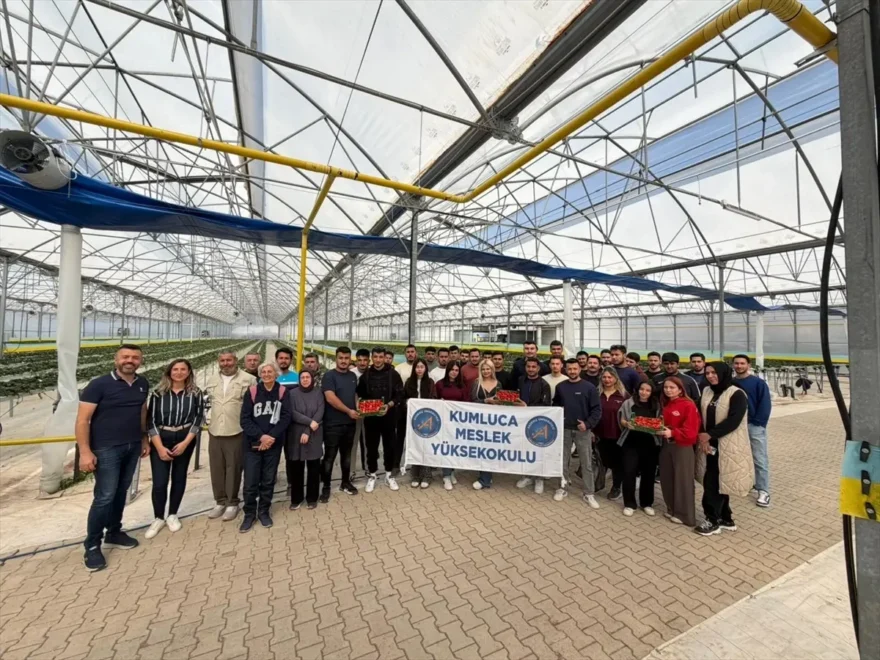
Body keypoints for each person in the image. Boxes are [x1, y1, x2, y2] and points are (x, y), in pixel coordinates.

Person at [76, 345, 151, 572]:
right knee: (104, 496)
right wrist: (85, 451)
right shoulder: (98, 385)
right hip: (106, 447)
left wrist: (144, 438)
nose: (130, 360)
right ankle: (92, 545)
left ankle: (114, 532)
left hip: (132, 445)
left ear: (140, 361)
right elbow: (82, 420)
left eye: (135, 357)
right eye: (125, 356)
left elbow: (142, 411)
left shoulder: (142, 383)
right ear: (115, 359)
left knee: (120, 492)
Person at [144, 359, 206, 539]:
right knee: (160, 482)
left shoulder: (195, 393)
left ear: (189, 372)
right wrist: (159, 447)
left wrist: (185, 443)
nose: (179, 372)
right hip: (161, 438)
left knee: (179, 477)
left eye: (183, 369)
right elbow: (151, 421)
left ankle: (172, 514)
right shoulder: (158, 394)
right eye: (175, 369)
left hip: (185, 438)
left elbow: (198, 419)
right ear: (169, 372)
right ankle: (158, 517)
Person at [695, 362, 752, 536]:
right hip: (708, 444)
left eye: (714, 372)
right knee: (718, 482)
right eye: (707, 373)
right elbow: (699, 414)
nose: (710, 376)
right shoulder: (707, 391)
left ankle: (712, 520)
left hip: (727, 445)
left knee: (712, 483)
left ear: (723, 373)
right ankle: (726, 518)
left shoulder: (736, 394)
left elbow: (734, 421)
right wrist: (703, 435)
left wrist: (709, 434)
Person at [239, 363, 291, 532]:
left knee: (268, 480)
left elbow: (286, 417)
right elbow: (245, 419)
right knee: (250, 481)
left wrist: (271, 437)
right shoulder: (253, 392)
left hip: (273, 443)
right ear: (260, 375)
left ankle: (263, 511)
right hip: (253, 443)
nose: (267, 374)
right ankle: (249, 514)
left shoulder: (282, 392)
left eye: (270, 371)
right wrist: (261, 436)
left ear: (276, 374)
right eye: (264, 372)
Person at [204, 351, 255, 522]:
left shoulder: (248, 380)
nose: (226, 363)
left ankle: (232, 502)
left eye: (229, 360)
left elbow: (254, 407)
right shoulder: (212, 380)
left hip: (236, 430)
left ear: (236, 361)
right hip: (215, 430)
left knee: (234, 467)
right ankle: (220, 501)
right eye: (222, 360)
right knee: (216, 468)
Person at [552, 358, 602, 508]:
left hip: (583, 431)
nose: (572, 371)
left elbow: (596, 410)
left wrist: (587, 424)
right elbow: (556, 406)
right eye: (569, 369)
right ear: (565, 370)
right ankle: (562, 487)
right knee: (563, 460)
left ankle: (589, 493)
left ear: (580, 369)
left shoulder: (589, 387)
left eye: (575, 369)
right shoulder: (561, 387)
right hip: (565, 429)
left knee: (586, 462)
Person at [357, 347, 404, 493]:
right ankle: (372, 474)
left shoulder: (394, 374)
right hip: (371, 419)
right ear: (372, 358)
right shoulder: (366, 375)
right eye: (375, 357)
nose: (378, 360)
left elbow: (399, 395)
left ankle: (389, 474)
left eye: (380, 357)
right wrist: (362, 406)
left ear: (385, 357)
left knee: (389, 446)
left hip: (389, 417)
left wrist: (389, 405)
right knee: (371, 447)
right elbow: (360, 395)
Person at [656, 377, 700, 526]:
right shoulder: (667, 403)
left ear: (680, 390)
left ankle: (685, 515)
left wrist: (673, 433)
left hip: (682, 446)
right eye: (666, 387)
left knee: (683, 481)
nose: (668, 390)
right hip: (666, 445)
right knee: (667, 478)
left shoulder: (688, 405)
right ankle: (672, 508)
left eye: (672, 387)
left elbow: (691, 430)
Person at [732, 354, 772, 508]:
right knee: (738, 456)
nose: (739, 366)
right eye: (736, 363)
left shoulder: (758, 383)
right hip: (736, 426)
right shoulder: (731, 383)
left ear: (748, 365)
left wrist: (759, 423)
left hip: (753, 425)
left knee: (759, 458)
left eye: (742, 363)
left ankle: (763, 490)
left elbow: (765, 404)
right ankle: (746, 483)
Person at [321, 346, 360, 502]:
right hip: (333, 424)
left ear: (350, 359)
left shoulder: (352, 376)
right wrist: (349, 411)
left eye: (346, 358)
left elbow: (355, 395)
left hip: (350, 424)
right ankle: (326, 487)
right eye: (341, 358)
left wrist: (358, 408)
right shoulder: (329, 376)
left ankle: (345, 482)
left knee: (347, 455)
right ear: (336, 359)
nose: (344, 361)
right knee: (329, 457)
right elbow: (330, 398)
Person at [617, 381, 661, 517]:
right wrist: (627, 424)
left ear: (652, 392)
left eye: (648, 390)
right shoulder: (629, 403)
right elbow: (622, 419)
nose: (644, 392)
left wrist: (658, 427)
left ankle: (646, 503)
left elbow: (661, 422)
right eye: (642, 389)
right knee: (628, 472)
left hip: (650, 444)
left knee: (648, 474)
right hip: (631, 443)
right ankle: (629, 504)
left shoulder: (657, 405)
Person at [514, 357, 552, 495]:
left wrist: (527, 407)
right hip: (521, 420)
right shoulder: (521, 380)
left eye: (533, 367)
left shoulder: (544, 384)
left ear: (538, 368)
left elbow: (546, 405)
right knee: (525, 450)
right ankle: (527, 476)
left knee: (538, 450)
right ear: (525, 368)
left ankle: (539, 479)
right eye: (528, 366)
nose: (531, 369)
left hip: (537, 423)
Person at [287, 370, 324, 510]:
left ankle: (312, 498)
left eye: (308, 377)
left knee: (314, 467)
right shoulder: (292, 394)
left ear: (312, 379)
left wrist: (308, 430)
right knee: (297, 467)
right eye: (302, 377)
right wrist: (309, 422)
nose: (305, 379)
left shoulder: (318, 393)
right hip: (296, 434)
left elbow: (320, 413)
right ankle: (296, 499)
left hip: (314, 433)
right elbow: (292, 413)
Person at [595, 367, 629, 500]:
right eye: (604, 377)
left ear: (615, 378)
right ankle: (599, 482)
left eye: (610, 377)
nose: (607, 380)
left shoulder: (624, 395)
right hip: (600, 434)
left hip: (618, 435)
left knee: (617, 463)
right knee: (604, 460)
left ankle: (616, 487)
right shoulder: (596, 393)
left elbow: (630, 414)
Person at [435, 361, 469, 490]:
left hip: (457, 422)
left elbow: (466, 403)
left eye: (456, 370)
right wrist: (439, 403)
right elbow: (434, 400)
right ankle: (446, 476)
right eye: (452, 370)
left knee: (454, 449)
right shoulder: (440, 384)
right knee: (446, 448)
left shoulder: (462, 386)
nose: (454, 372)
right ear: (448, 370)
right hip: (443, 422)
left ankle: (451, 471)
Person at [404, 359, 437, 489]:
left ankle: (427, 476)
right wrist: (407, 402)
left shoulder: (430, 382)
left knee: (426, 446)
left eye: (422, 367)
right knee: (415, 446)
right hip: (412, 419)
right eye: (417, 367)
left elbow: (434, 398)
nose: (419, 369)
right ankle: (415, 475)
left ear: (425, 369)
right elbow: (403, 397)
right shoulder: (409, 382)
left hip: (427, 419)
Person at [471, 359, 501, 491]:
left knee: (490, 450)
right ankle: (485, 477)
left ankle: (485, 479)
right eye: (483, 369)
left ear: (492, 369)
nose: (485, 371)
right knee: (481, 450)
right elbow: (472, 400)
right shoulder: (476, 383)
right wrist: (485, 401)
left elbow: (501, 402)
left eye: (488, 369)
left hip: (494, 421)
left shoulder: (498, 384)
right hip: (479, 421)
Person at [349, 348, 370, 480]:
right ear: (356, 361)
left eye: (365, 360)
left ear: (369, 361)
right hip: (354, 412)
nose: (362, 363)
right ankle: (351, 471)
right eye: (360, 360)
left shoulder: (372, 373)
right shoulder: (351, 374)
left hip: (369, 412)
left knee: (368, 442)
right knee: (353, 442)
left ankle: (368, 468)